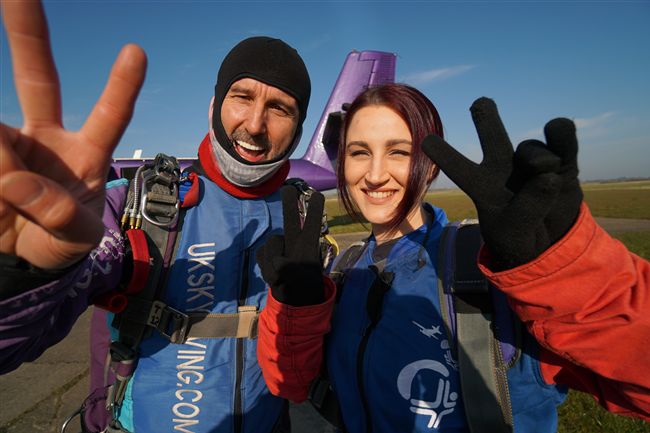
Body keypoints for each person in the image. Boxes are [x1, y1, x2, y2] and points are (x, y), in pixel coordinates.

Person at [255, 83, 650, 432]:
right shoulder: (344, 271)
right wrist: (297, 306)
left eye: (398, 152)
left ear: (430, 167)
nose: (374, 175)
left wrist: (559, 269)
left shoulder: (491, 270)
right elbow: (291, 384)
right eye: (359, 152)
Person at [0, 2, 317, 432]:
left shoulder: (302, 220)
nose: (256, 124)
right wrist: (23, 271)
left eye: (280, 108)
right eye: (242, 97)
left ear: (298, 129)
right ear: (214, 105)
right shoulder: (134, 208)